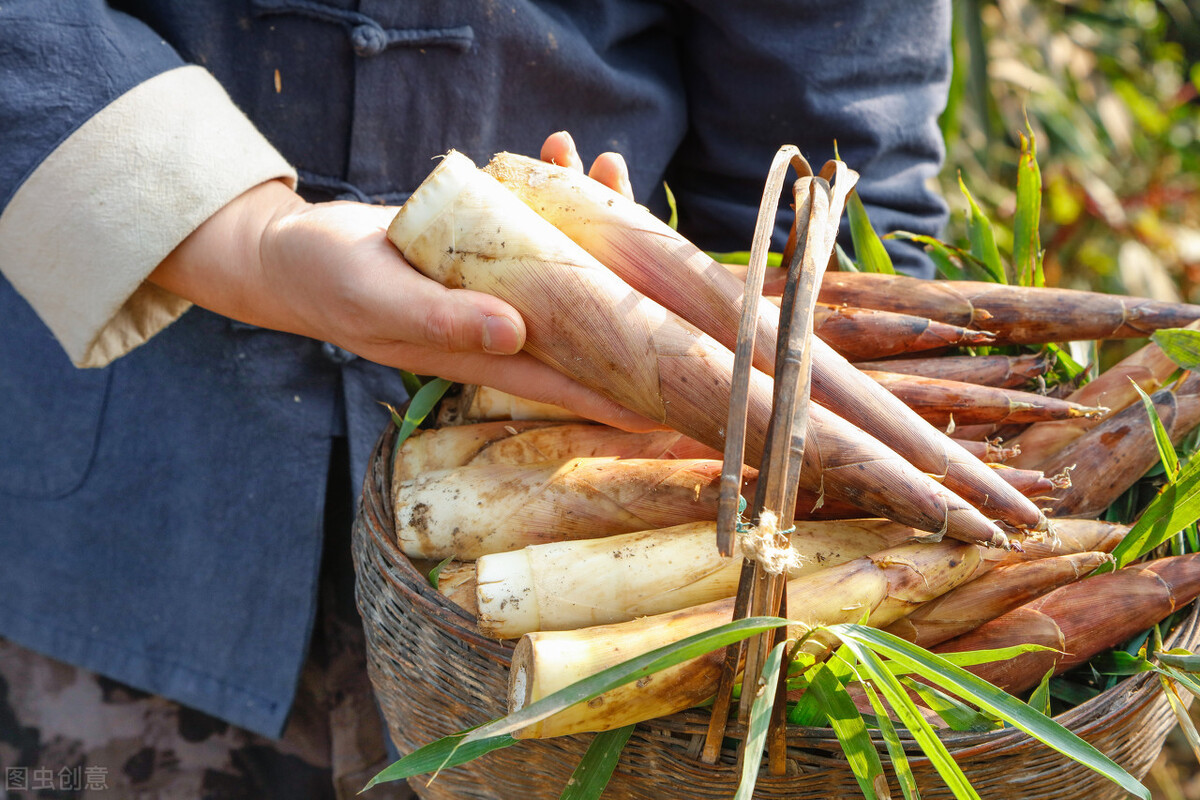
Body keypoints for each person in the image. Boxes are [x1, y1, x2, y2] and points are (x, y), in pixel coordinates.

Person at [0, 1, 952, 796]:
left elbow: (832, 111)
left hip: (599, 600)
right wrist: (245, 239)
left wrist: (824, 480)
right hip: (107, 531)